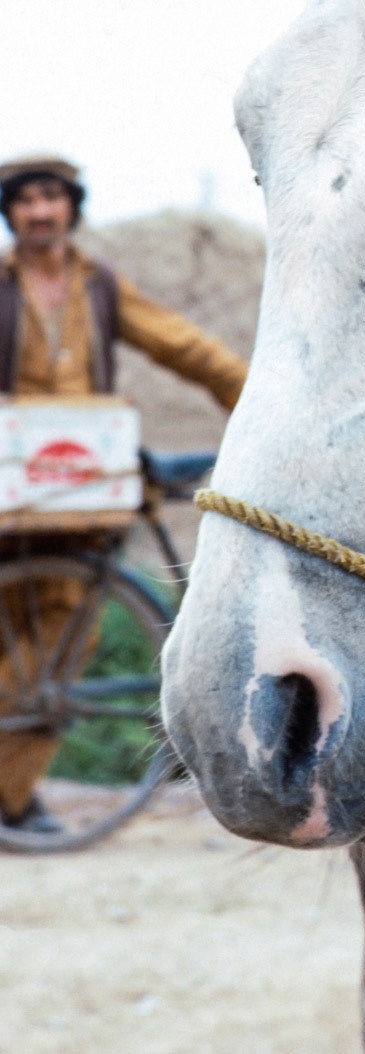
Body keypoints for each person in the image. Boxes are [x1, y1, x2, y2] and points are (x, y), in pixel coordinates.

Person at [0, 155, 248, 834]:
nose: (41, 212)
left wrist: (251, 398)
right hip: (10, 486)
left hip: (84, 489)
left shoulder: (98, 284)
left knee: (61, 644)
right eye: (27, 201)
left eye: (53, 199)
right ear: (11, 212)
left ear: (71, 208)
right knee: (15, 644)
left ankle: (13, 795)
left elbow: (182, 345)